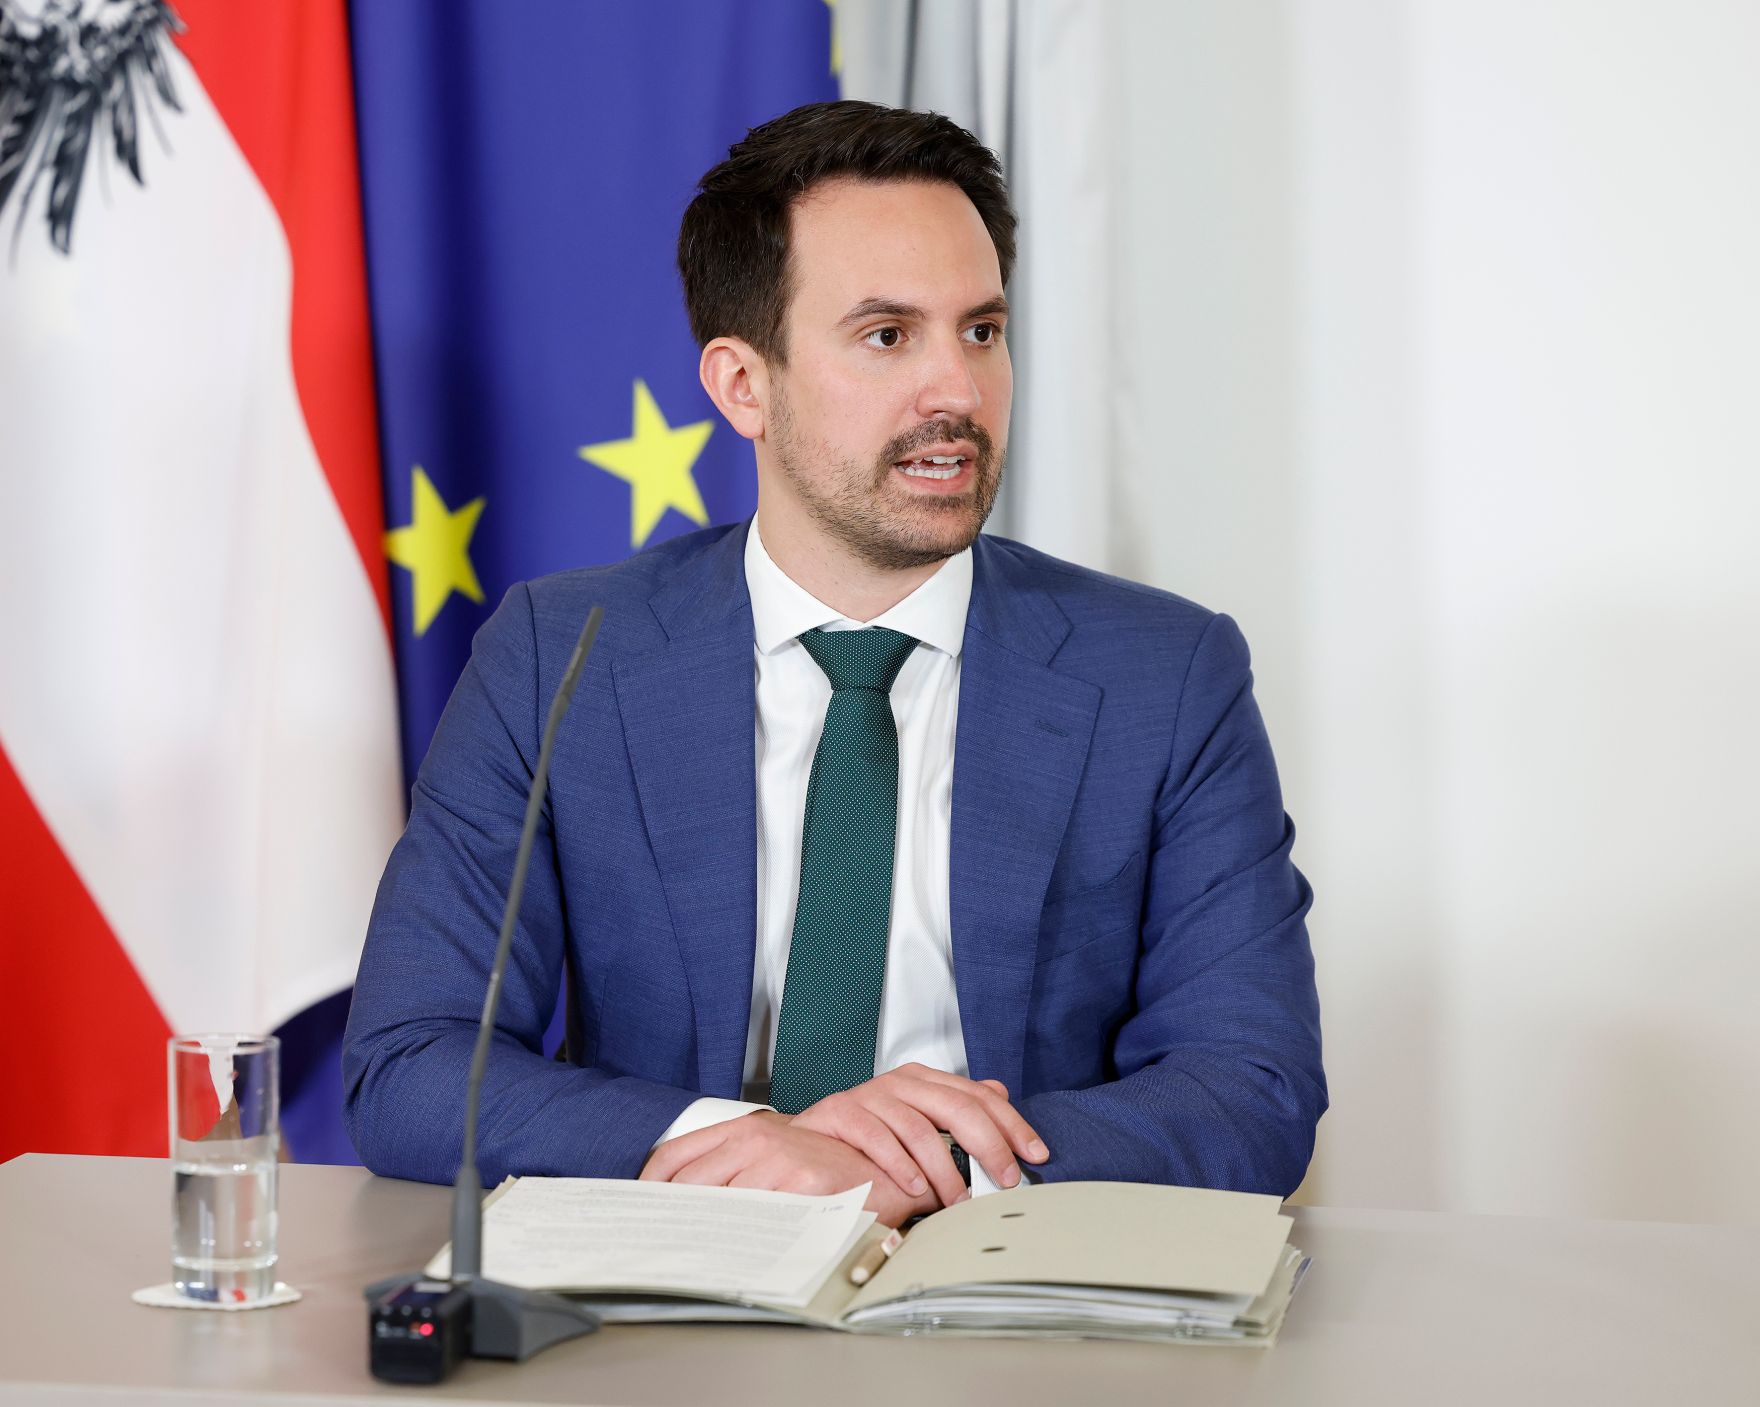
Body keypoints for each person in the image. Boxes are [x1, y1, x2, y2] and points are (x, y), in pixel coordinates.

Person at [343, 101, 1325, 1228]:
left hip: (1006, 1275)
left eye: (982, 331)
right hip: (677, 1291)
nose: (954, 391)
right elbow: (411, 1064)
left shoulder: (1165, 673)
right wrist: (741, 1146)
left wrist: (918, 1166)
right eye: (885, 336)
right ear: (740, 386)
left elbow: (1253, 1086)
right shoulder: (560, 658)